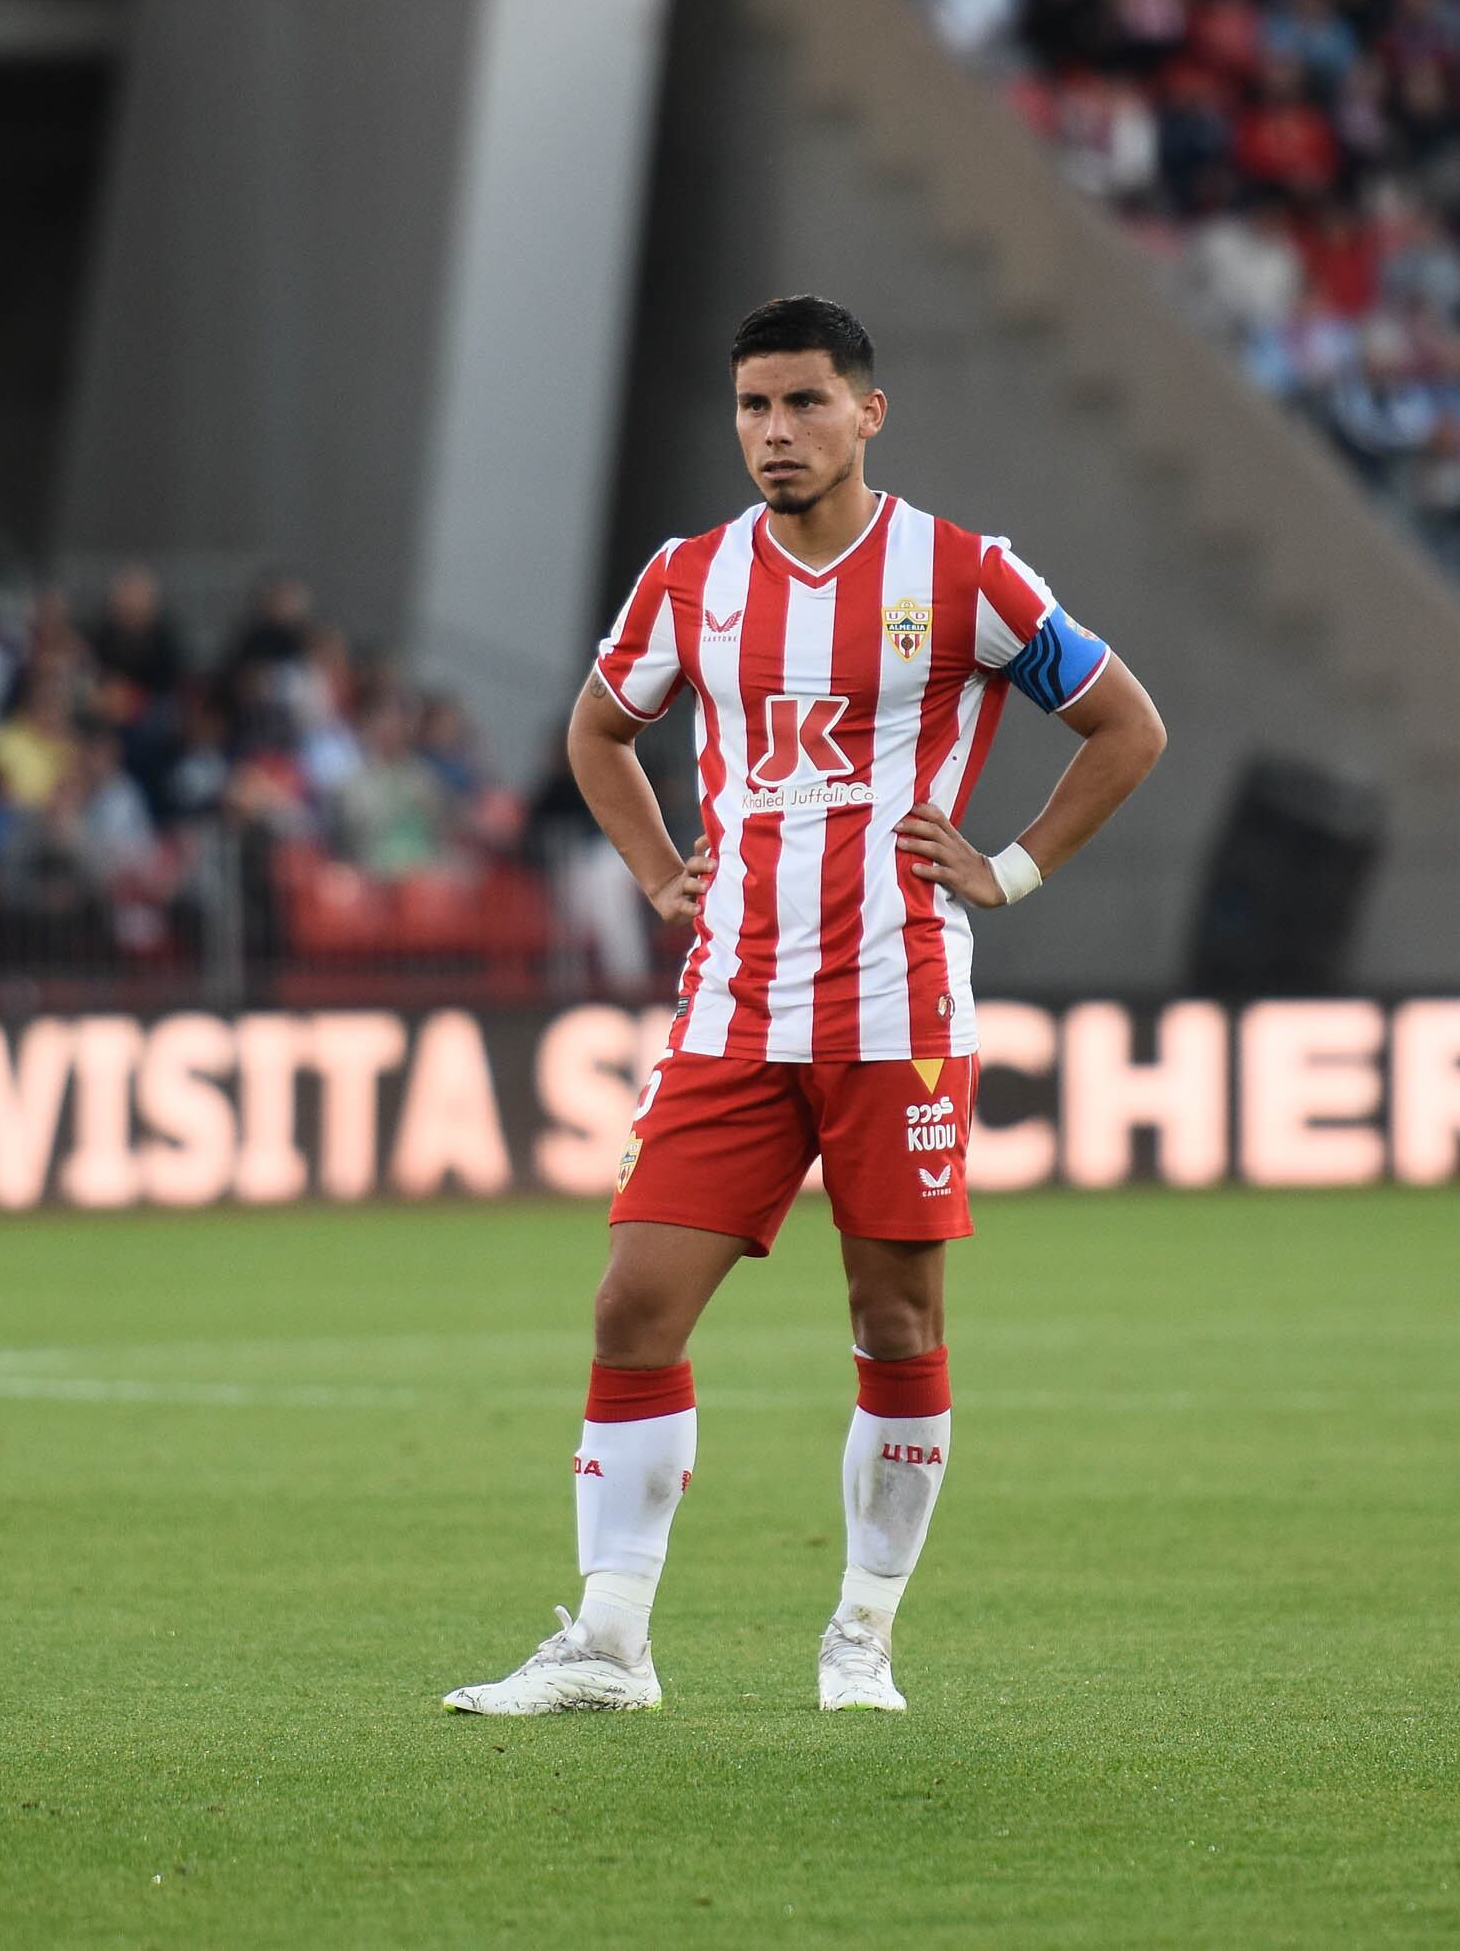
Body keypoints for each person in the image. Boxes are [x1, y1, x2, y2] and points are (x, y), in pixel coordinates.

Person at [440, 294, 1169, 1720]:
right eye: (751, 408)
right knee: (631, 1306)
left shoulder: (963, 575)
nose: (773, 434)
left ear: (865, 412)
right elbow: (598, 728)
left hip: (898, 1012)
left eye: (802, 404)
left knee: (894, 1324)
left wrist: (1008, 869)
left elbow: (1125, 726)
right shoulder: (686, 577)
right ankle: (607, 1644)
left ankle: (859, 1640)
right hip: (731, 1010)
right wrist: (658, 870)